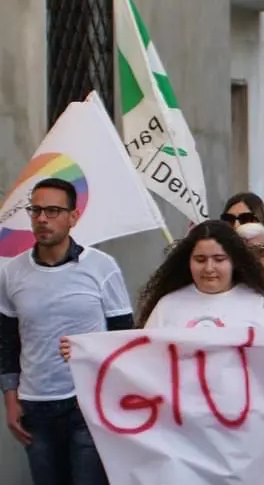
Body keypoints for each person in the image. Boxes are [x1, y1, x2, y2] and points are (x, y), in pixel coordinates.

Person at [0, 178, 132, 485]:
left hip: (86, 403)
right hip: (35, 405)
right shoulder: (11, 273)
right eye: (36, 211)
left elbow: (122, 337)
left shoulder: (102, 267)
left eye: (53, 211)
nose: (42, 219)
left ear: (73, 217)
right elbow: (6, 340)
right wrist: (10, 398)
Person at [137, 221, 264, 329]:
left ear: (234, 261)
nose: (209, 268)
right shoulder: (166, 307)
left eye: (219, 259)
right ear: (188, 262)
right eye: (200, 260)